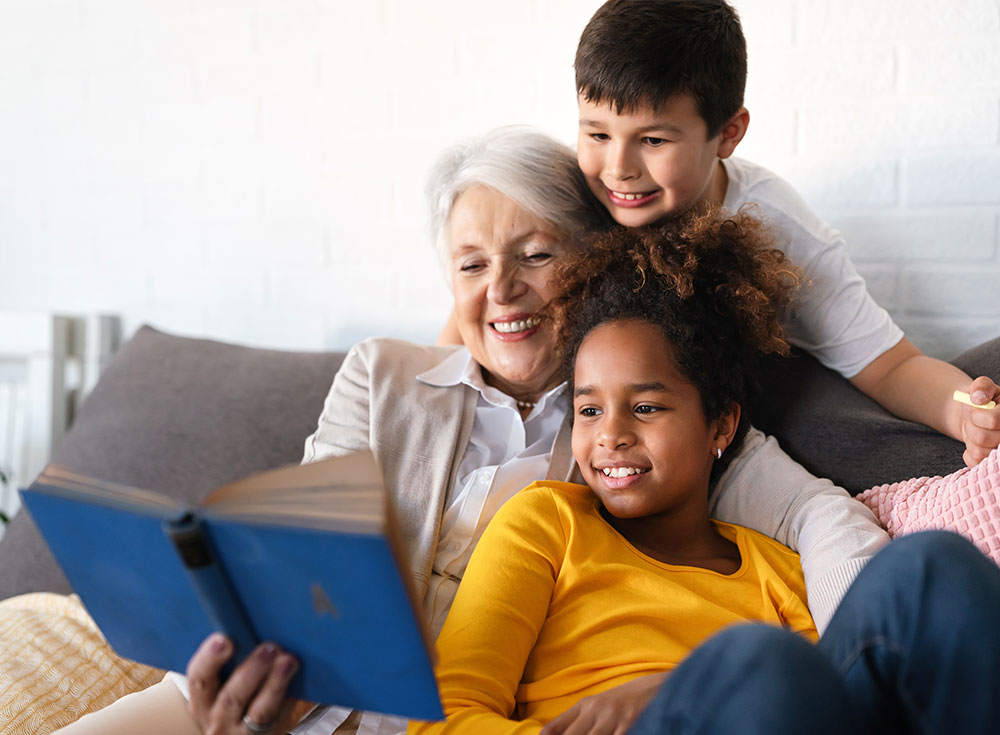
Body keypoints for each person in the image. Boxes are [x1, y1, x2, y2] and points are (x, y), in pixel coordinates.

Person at [52, 127, 885, 735]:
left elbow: (815, 514)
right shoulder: (383, 378)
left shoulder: (629, 424)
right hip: (264, 690)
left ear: (590, 260)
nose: (504, 290)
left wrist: (861, 670)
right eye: (473, 264)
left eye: (534, 255)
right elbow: (294, 550)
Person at [410, 211, 1000, 735]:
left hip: (764, 694)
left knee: (933, 565)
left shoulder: (780, 571)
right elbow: (444, 714)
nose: (610, 434)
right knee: (758, 660)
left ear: (720, 427)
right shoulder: (547, 523)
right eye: (589, 410)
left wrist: (684, 686)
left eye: (646, 407)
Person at [573, 0, 1000, 468]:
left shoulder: (777, 224)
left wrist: (964, 413)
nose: (618, 169)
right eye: (597, 135)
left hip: (758, 403)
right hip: (623, 427)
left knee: (843, 434)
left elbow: (890, 366)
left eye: (653, 140)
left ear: (729, 134)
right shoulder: (572, 198)